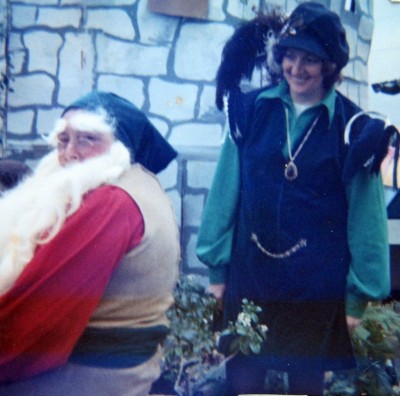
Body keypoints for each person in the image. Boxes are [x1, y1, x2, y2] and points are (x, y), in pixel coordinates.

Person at [197, 3, 395, 395]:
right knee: (243, 381)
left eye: (310, 59)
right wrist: (217, 273)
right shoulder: (249, 111)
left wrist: (357, 298)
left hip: (316, 287)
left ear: (330, 66)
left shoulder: (355, 131)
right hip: (251, 277)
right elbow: (224, 193)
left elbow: (366, 220)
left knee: (306, 385)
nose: (296, 68)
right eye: (290, 55)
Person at [0, 91, 180, 395]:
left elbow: (37, 321)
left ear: (120, 146)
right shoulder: (135, 184)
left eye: (86, 139)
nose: (70, 153)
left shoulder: (110, 203)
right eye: (63, 140)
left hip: (87, 378)